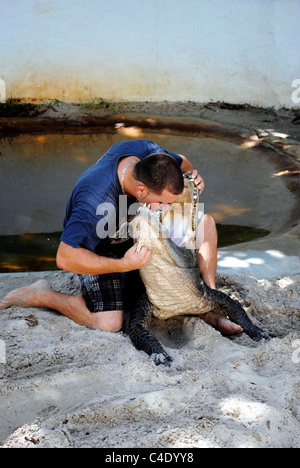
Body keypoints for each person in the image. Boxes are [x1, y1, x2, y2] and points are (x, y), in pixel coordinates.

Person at [0, 139, 242, 336]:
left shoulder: (147, 156)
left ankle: (210, 303)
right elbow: (64, 257)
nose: (167, 209)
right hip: (100, 249)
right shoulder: (94, 200)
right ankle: (42, 295)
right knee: (109, 322)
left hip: (134, 235)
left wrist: (192, 176)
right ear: (141, 191)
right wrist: (123, 265)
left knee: (205, 223)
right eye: (162, 203)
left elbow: (182, 162)